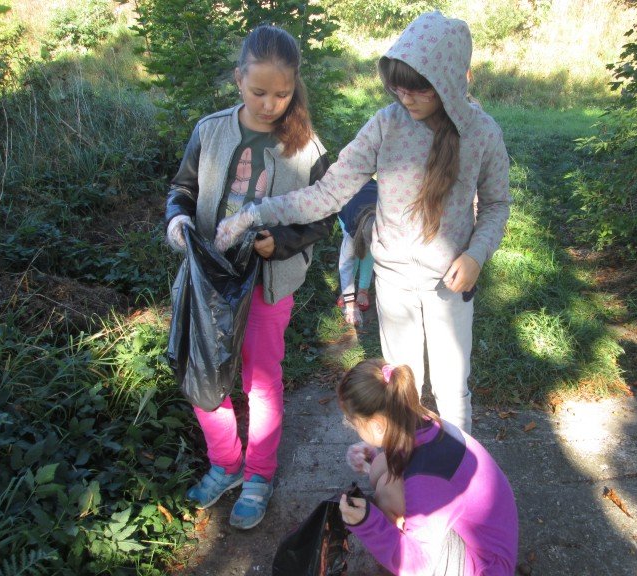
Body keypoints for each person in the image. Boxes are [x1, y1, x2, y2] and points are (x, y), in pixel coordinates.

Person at [213, 11, 511, 433]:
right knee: (402, 389)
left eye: (419, 89)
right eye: (398, 87)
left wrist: (476, 255)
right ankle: (405, 466)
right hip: (393, 281)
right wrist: (255, 213)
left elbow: (497, 204)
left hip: (450, 286)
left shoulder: (482, 133)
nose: (406, 98)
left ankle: (462, 467)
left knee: (452, 389)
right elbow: (327, 193)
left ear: (448, 81)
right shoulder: (386, 125)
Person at [164, 25, 333, 529]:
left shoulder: (307, 149)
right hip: (209, 283)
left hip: (267, 285)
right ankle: (226, 463)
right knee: (204, 374)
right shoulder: (210, 131)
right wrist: (177, 220)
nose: (270, 104)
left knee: (261, 380)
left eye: (282, 94)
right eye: (259, 92)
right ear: (238, 79)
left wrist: (278, 242)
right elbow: (182, 190)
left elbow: (323, 217)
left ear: (295, 86)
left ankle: (259, 473)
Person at [337, 358, 518, 575]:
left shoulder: (426, 475)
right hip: (486, 540)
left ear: (377, 426)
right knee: (381, 466)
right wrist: (374, 453)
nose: (352, 427)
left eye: (353, 423)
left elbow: (418, 566)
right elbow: (403, 464)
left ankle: (396, 551)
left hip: (486, 566)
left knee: (387, 494)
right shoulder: (422, 421)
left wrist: (368, 524)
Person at [336, 178, 377, 326]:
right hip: (347, 197)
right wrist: (350, 305)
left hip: (373, 192)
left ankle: (363, 290)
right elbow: (345, 265)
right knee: (353, 254)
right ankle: (348, 293)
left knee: (368, 254)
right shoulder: (352, 231)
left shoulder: (389, 221)